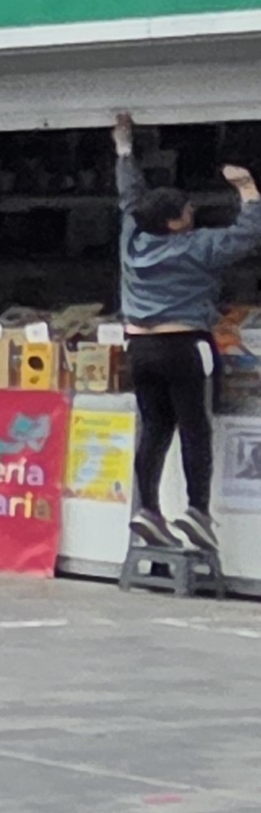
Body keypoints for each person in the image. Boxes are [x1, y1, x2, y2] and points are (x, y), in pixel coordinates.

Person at [108, 114, 261, 550]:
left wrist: (124, 149)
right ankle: (197, 511)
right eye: (188, 210)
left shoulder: (132, 237)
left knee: (154, 428)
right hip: (186, 345)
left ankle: (148, 509)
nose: (194, 212)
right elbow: (249, 234)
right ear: (175, 223)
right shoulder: (198, 246)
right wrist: (247, 189)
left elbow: (129, 196)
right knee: (195, 426)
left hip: (139, 347)